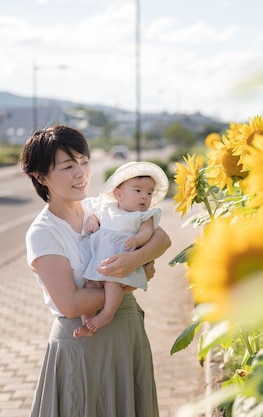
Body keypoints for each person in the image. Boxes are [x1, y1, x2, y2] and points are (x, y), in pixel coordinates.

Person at [21, 125, 170, 417]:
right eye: (68, 165)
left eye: (84, 161)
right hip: (81, 343)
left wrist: (133, 260)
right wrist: (128, 281)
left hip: (127, 337)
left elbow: (161, 238)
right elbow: (71, 303)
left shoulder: (101, 208)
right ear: (41, 177)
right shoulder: (43, 233)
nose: (81, 173)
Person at [77, 161, 169, 337]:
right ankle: (86, 323)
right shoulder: (107, 208)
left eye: (149, 193)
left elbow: (147, 232)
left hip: (120, 262)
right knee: (89, 285)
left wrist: (136, 240)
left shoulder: (143, 216)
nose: (144, 196)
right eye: (138, 191)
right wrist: (92, 221)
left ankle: (106, 315)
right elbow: (96, 216)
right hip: (99, 261)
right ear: (118, 194)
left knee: (112, 283)